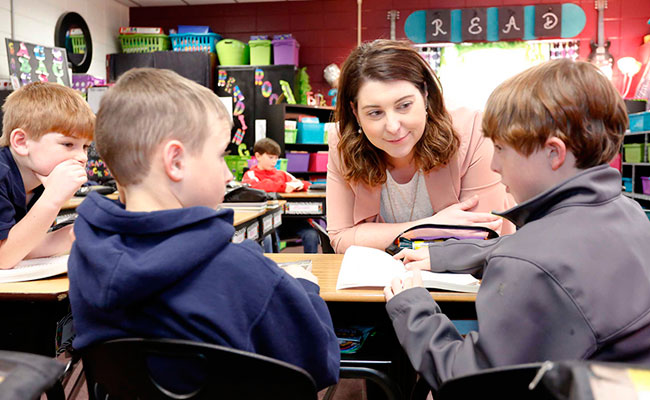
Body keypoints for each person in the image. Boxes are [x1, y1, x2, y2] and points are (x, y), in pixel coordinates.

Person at [384, 59, 650, 391]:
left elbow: (470, 385)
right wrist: (445, 258)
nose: (494, 165)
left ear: (554, 153)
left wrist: (413, 306)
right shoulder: (629, 212)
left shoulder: (528, 263)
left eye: (500, 149)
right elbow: (553, 258)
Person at [67, 68, 340, 390]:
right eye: (221, 155)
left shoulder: (84, 258)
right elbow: (319, 364)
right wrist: (305, 288)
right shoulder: (241, 270)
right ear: (176, 162)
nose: (228, 174)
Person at [327, 40, 516, 254]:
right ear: (355, 112)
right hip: (382, 280)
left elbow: (482, 236)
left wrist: (376, 236)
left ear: (425, 94)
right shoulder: (342, 142)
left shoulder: (472, 132)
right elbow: (341, 238)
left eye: (404, 106)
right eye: (375, 113)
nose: (393, 126)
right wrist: (430, 227)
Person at [0, 82, 93, 269]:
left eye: (85, 147)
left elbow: (24, 247)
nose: (82, 157)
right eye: (68, 144)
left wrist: (76, 233)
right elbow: (3, 258)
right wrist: (52, 199)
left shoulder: (42, 178)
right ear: (21, 142)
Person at [242, 138, 320, 253]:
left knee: (311, 234)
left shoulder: (281, 174)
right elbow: (254, 186)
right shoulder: (251, 174)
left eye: (276, 158)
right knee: (269, 237)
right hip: (269, 221)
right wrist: (283, 187)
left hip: (291, 220)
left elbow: (306, 184)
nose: (274, 161)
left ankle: (313, 266)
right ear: (258, 156)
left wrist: (298, 185)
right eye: (270, 157)